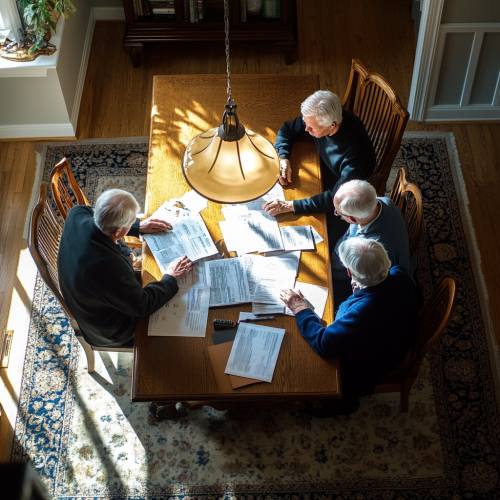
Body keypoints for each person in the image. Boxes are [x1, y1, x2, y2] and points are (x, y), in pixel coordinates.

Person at [280, 238, 418, 418]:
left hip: (373, 364)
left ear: (349, 271)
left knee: (301, 358)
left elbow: (324, 344)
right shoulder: (398, 272)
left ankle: (343, 402)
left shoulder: (363, 312)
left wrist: (300, 308)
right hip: (397, 335)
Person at [58, 189, 193, 348]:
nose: (133, 223)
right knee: (178, 338)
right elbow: (143, 305)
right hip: (111, 330)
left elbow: (97, 214)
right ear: (117, 231)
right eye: (131, 222)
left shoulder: (77, 212)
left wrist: (138, 226)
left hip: (87, 291)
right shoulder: (108, 269)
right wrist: (171, 277)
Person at [262, 90, 376, 243]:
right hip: (324, 169)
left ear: (331, 126)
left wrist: (291, 205)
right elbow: (288, 129)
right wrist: (283, 157)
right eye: (306, 123)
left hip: (346, 195)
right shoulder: (318, 118)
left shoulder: (355, 154)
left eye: (312, 128)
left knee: (316, 239)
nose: (306, 130)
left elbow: (338, 198)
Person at [331, 179, 414, 281]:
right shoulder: (383, 201)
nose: (337, 214)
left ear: (352, 219)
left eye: (338, 213)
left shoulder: (370, 250)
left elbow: (364, 280)